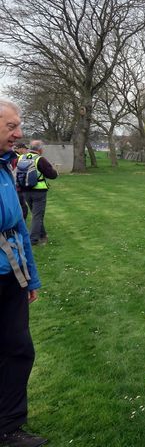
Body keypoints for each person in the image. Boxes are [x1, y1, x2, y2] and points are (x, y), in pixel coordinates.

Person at [0, 99, 48, 447]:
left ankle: (9, 427)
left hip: (10, 277)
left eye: (17, 126)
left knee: (19, 350)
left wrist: (29, 277)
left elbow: (16, 226)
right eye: (10, 127)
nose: (18, 133)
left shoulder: (6, 169)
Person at [19, 140, 58, 246]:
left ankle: (42, 234)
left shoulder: (21, 157)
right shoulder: (40, 159)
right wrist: (54, 170)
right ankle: (33, 239)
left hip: (25, 190)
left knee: (36, 214)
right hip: (39, 191)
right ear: (40, 149)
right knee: (38, 215)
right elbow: (52, 175)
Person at [12, 143, 28, 220]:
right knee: (22, 206)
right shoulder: (18, 158)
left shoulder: (10, 157)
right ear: (20, 149)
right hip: (17, 185)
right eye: (25, 149)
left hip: (11, 185)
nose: (26, 150)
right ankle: (21, 224)